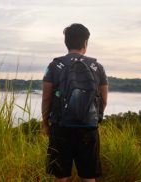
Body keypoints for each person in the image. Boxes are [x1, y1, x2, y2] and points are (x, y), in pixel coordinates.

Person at [41, 23, 109, 182]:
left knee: (62, 175)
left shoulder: (54, 66)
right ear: (85, 43)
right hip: (88, 127)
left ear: (66, 42)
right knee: (88, 176)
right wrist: (96, 117)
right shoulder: (97, 67)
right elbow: (104, 100)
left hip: (60, 126)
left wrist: (46, 123)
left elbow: (46, 98)